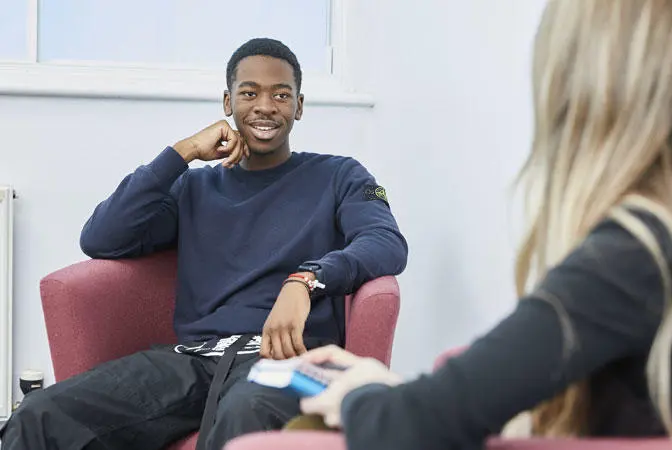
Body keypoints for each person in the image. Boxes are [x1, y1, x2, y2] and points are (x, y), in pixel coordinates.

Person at [296, 1, 672, 448]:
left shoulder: (635, 253)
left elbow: (411, 428)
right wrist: (409, 392)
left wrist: (362, 397)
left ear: (571, 79)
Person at [0, 37, 407, 450]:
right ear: (227, 103)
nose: (265, 106)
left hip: (289, 360)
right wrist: (183, 152)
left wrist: (306, 280)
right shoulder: (193, 187)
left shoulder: (340, 176)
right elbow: (101, 237)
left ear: (298, 106)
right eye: (250, 93)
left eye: (281, 95)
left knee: (245, 415)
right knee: (40, 416)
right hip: (192, 359)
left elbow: (385, 242)